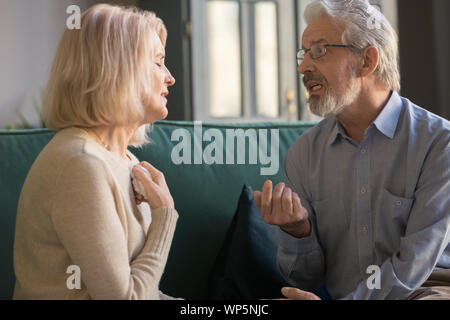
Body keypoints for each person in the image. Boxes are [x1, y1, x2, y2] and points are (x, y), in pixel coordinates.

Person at [254, 0, 450, 300]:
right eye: (303, 53)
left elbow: (415, 264)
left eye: (319, 50)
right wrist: (298, 230)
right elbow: (303, 279)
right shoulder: (303, 155)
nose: (303, 66)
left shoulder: (439, 144)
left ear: (367, 61)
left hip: (428, 291)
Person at [13, 4, 179, 299]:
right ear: (120, 71)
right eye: (157, 62)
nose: (169, 77)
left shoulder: (125, 160)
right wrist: (164, 217)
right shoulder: (80, 165)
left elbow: (146, 290)